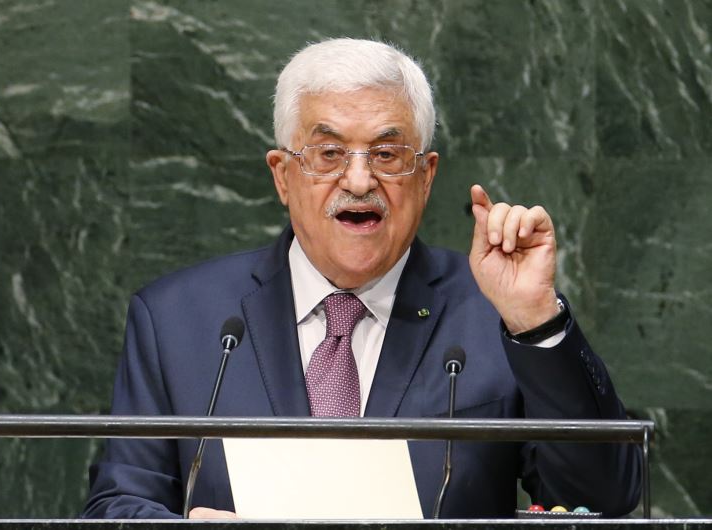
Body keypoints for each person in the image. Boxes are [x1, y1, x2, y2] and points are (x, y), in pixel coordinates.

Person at [83, 38, 640, 519]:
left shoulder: (493, 311)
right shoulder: (178, 319)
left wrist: (534, 321)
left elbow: (603, 500)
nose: (357, 179)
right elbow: (119, 502)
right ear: (283, 174)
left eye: (387, 153)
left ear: (426, 176)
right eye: (327, 153)